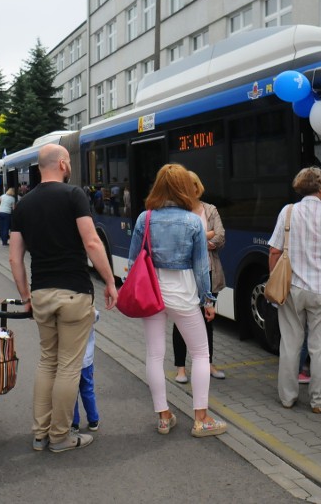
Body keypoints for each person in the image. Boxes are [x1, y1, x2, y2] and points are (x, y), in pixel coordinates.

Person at [9, 143, 118, 453]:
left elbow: (15, 259)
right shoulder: (73, 195)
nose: (70, 165)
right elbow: (92, 242)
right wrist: (110, 282)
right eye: (68, 161)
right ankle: (60, 437)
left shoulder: (23, 205)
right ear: (60, 164)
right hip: (73, 292)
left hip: (41, 293)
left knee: (47, 363)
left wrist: (25, 297)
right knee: (69, 367)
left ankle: (39, 434)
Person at [128, 163, 226, 438]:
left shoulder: (144, 218)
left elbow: (134, 260)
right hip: (182, 292)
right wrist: (208, 300)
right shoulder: (193, 221)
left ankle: (163, 416)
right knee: (200, 353)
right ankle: (201, 418)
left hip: (152, 292)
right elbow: (200, 267)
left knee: (154, 355)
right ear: (185, 188)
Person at [268, 167, 321, 414]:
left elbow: (274, 251)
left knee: (290, 344)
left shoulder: (287, 212)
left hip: (292, 288)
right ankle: (319, 400)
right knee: (320, 347)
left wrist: (275, 280)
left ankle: (287, 397)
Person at [174, 171, 226, 383]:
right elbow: (178, 242)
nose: (190, 190)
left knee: (208, 319)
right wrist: (207, 234)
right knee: (182, 321)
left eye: (192, 185)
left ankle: (208, 364)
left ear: (198, 187)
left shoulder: (209, 209)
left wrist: (196, 238)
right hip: (185, 274)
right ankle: (180, 368)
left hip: (210, 272)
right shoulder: (177, 211)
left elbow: (221, 237)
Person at [72, 310, 100, 434]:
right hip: (86, 361)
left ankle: (74, 423)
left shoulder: (66, 313)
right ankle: (93, 420)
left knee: (72, 393)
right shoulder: (89, 311)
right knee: (88, 390)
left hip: (70, 362)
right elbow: (96, 316)